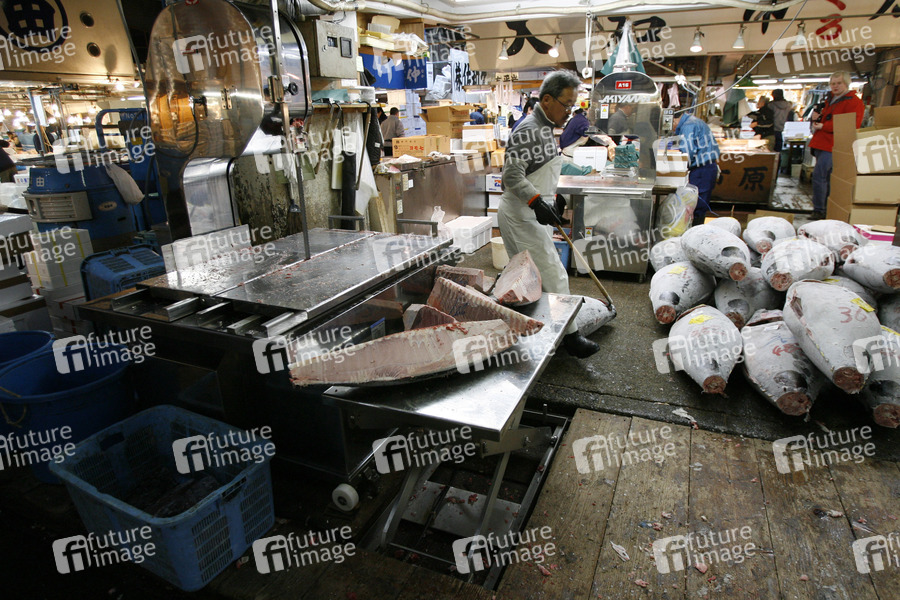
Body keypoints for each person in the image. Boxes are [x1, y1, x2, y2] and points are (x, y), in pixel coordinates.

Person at [499, 70, 600, 359]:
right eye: (566, 104)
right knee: (553, 274)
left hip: (532, 212)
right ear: (546, 99)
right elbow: (512, 175)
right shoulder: (528, 130)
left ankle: (538, 333)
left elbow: (540, 169)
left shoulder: (545, 128)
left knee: (532, 277)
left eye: (572, 105)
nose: (570, 112)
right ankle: (570, 337)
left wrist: (551, 199)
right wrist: (536, 201)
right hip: (520, 214)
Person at [809, 71, 864, 220]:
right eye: (833, 83)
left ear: (846, 83)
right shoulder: (831, 100)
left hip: (834, 145)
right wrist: (817, 118)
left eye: (839, 83)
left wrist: (824, 126)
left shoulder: (853, 102)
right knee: (825, 177)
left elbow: (851, 124)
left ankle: (820, 209)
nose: (835, 86)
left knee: (820, 176)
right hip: (822, 144)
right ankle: (826, 209)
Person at [674, 110, 720, 225]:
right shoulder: (693, 121)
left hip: (702, 170)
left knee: (695, 205)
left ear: (674, 120)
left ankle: (694, 231)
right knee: (697, 205)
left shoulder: (689, 125)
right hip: (706, 168)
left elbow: (687, 153)